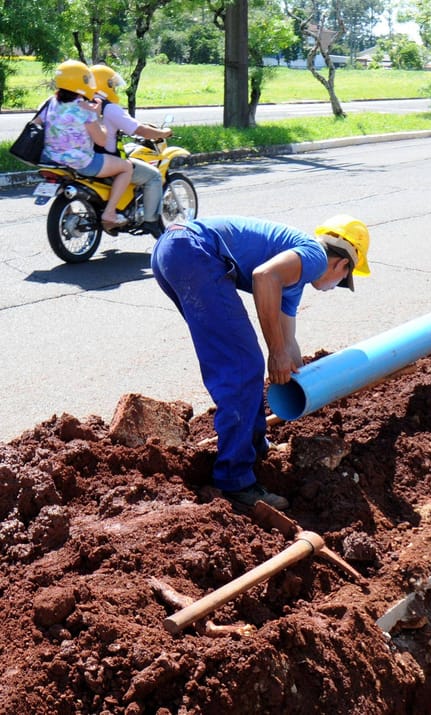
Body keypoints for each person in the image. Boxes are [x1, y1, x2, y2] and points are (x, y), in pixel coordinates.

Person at [150, 215, 371, 511]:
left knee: (241, 361)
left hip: (174, 249)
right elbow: (264, 277)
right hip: (193, 251)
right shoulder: (315, 256)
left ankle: (253, 447)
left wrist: (305, 385)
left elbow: (289, 345)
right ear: (342, 264)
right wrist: (275, 352)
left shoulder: (294, 277)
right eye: (344, 281)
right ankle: (235, 481)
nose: (334, 287)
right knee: (242, 365)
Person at [40, 60, 133, 231]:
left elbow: (36, 123)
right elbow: (102, 141)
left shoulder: (49, 102)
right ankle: (109, 213)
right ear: (80, 82)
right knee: (127, 167)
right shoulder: (83, 108)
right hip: (81, 162)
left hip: (50, 158)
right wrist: (97, 116)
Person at [91, 64, 173, 237]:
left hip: (85, 158)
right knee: (154, 176)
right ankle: (151, 222)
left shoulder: (82, 104)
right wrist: (163, 132)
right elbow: (140, 130)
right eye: (112, 85)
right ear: (105, 85)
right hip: (106, 162)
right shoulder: (109, 108)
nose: (115, 89)